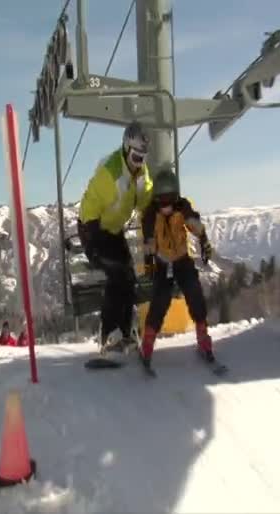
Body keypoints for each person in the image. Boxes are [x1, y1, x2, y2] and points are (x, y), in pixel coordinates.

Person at [78, 121, 154, 352]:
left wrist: (150, 235)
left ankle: (125, 331)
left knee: (128, 275)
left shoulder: (141, 173)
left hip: (114, 231)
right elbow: (88, 206)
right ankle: (109, 334)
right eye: (135, 157)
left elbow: (145, 203)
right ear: (125, 148)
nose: (138, 163)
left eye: (142, 158)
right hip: (94, 230)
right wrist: (92, 245)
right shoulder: (110, 173)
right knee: (116, 273)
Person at [139, 168, 214, 370]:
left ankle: (202, 334)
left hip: (182, 259)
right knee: (160, 300)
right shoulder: (150, 214)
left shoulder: (183, 207)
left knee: (193, 291)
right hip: (163, 263)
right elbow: (148, 241)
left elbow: (194, 224)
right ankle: (148, 341)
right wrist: (149, 265)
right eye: (162, 202)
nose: (167, 207)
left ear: (176, 197)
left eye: (170, 201)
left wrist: (204, 242)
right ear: (156, 200)